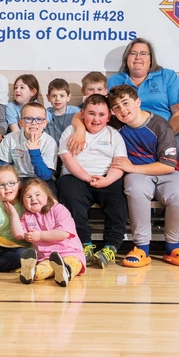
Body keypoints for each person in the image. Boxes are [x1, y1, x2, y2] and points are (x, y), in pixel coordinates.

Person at [108, 85, 179, 267]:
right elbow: (82, 115)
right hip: (136, 174)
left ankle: (173, 247)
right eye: (116, 107)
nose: (122, 110)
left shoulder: (160, 125)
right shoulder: (115, 123)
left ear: (138, 102)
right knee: (135, 189)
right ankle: (141, 248)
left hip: (163, 170)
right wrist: (79, 129)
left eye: (126, 103)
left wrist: (133, 167)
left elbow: (168, 165)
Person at [57, 94, 128, 268]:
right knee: (69, 193)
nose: (96, 119)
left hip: (106, 177)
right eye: (91, 113)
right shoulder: (70, 132)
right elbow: (67, 159)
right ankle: (84, 244)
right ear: (82, 113)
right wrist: (86, 177)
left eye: (101, 115)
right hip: (77, 177)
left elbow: (120, 163)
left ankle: (111, 246)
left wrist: (106, 180)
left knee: (118, 199)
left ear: (108, 117)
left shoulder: (113, 135)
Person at [107, 38, 179, 160]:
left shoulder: (167, 76)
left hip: (167, 132)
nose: (138, 57)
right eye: (133, 53)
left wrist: (164, 137)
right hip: (128, 136)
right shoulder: (114, 80)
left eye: (143, 53)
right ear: (126, 58)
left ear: (151, 59)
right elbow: (102, 110)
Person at [9, 178, 86, 287]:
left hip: (70, 253)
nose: (33, 198)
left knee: (72, 263)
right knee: (45, 267)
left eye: (37, 194)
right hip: (46, 257)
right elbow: (19, 234)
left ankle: (66, 271)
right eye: (28, 197)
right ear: (23, 202)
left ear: (47, 196)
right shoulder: (27, 216)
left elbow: (64, 233)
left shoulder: (59, 209)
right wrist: (13, 214)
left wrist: (40, 235)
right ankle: (32, 273)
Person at [0, 102, 57, 194]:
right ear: (20, 123)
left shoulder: (50, 142)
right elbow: (3, 167)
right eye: (28, 119)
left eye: (39, 119)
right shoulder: (10, 138)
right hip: (17, 178)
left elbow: (45, 176)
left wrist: (35, 152)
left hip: (41, 179)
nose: (34, 123)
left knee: (49, 194)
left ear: (45, 123)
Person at [45, 78, 80, 144]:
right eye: (54, 96)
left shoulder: (75, 111)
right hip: (52, 147)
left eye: (62, 96)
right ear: (48, 97)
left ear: (68, 97)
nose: (57, 99)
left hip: (69, 146)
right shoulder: (46, 113)